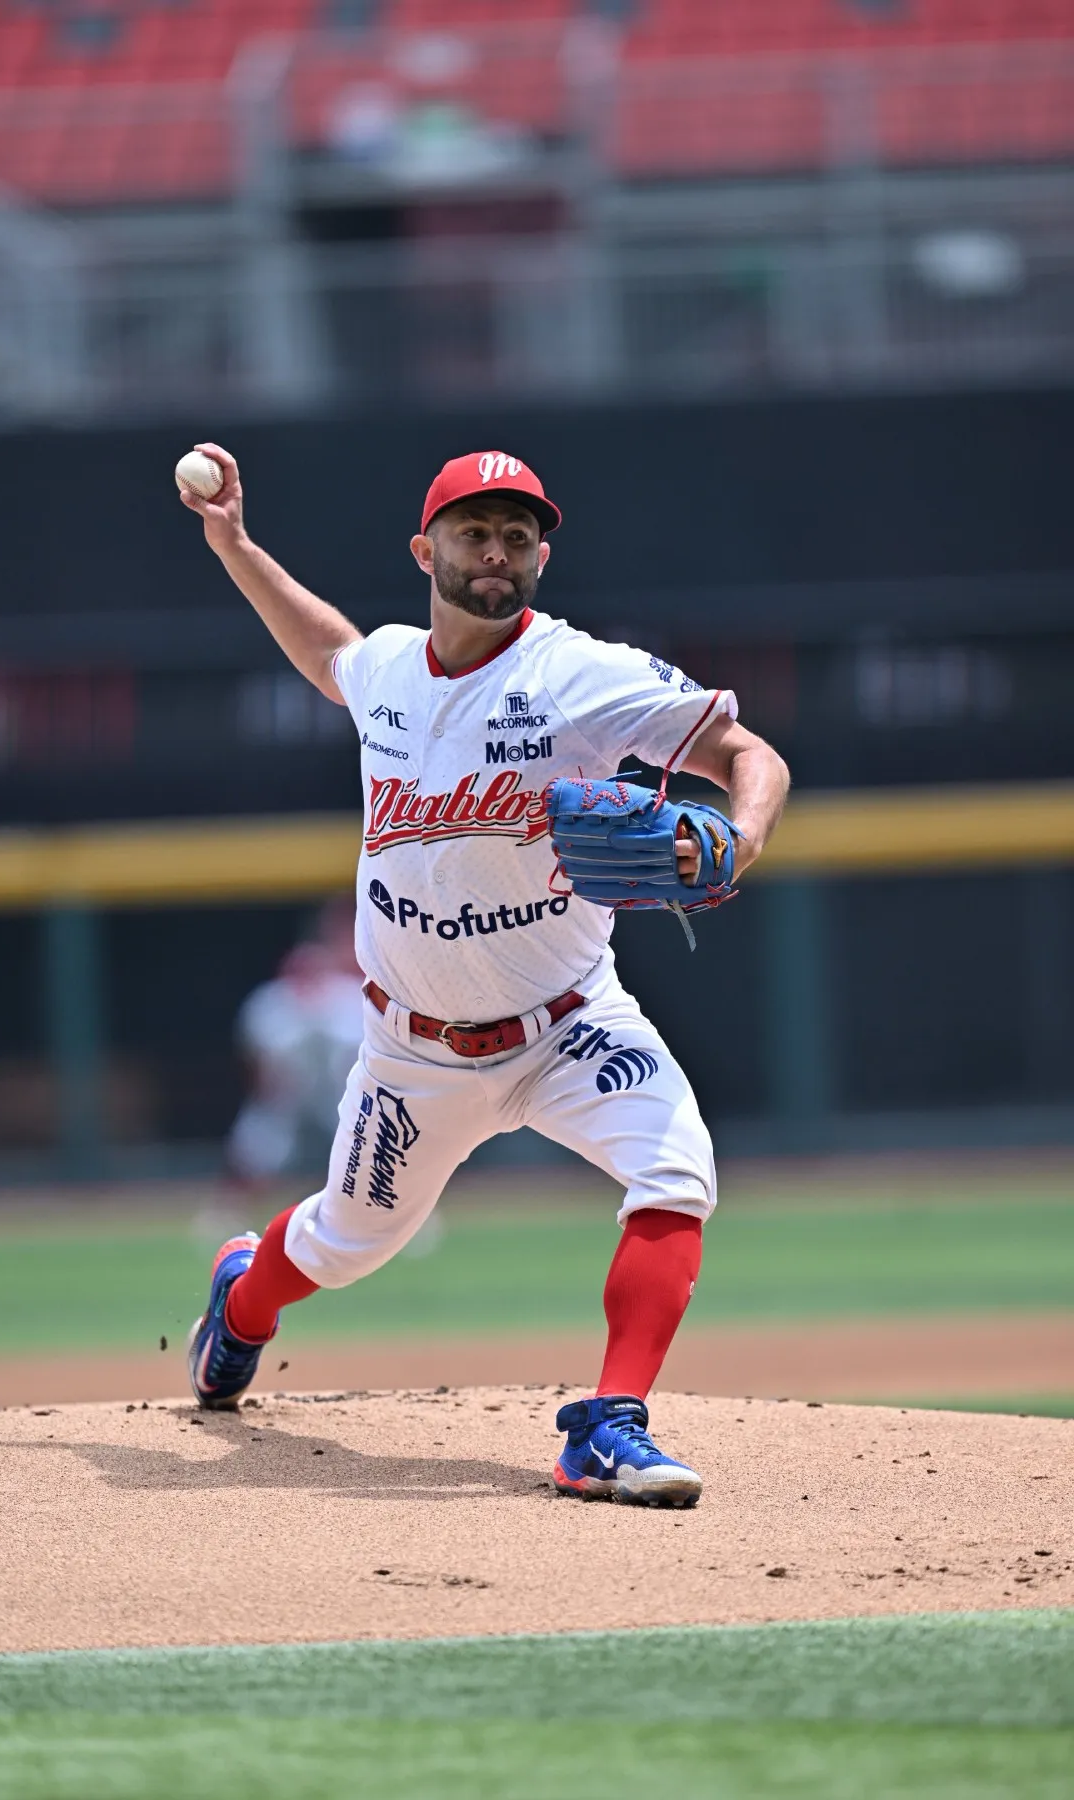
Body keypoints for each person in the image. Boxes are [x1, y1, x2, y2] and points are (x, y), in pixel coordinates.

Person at [180, 443, 789, 1506]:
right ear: (428, 549)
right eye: (475, 532)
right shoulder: (389, 670)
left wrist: (737, 837)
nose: (498, 552)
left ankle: (607, 1427)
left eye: (519, 535)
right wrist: (235, 544)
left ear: (542, 555)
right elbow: (330, 653)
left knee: (678, 1166)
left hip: (569, 1023)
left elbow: (751, 755)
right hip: (414, 1051)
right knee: (343, 1242)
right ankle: (240, 1305)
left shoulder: (580, 675)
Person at [226, 902, 364, 1184]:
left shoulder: (349, 997)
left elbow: (363, 1055)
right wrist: (271, 1096)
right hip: (288, 1090)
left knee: (366, 1140)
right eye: (300, 971)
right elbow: (255, 1062)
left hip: (338, 1089)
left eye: (313, 971)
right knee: (258, 1139)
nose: (308, 978)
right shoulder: (272, 1004)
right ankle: (228, 1209)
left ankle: (393, 1206)